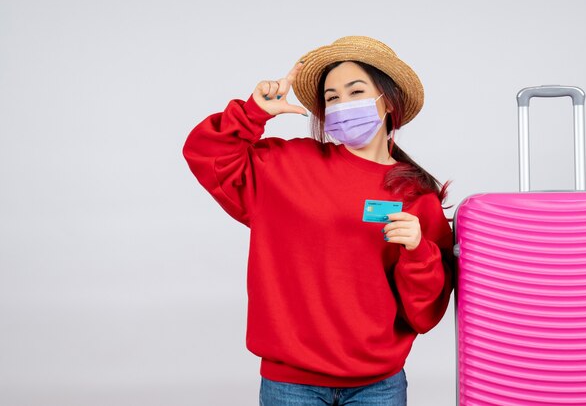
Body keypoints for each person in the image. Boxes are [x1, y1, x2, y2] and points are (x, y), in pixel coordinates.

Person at [182, 35, 455, 406]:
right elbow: (206, 152)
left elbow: (423, 314)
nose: (343, 104)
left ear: (388, 101)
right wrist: (251, 113)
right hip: (290, 384)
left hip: (378, 386)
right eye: (332, 97)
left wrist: (417, 251)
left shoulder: (416, 195)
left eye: (356, 91)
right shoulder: (284, 166)